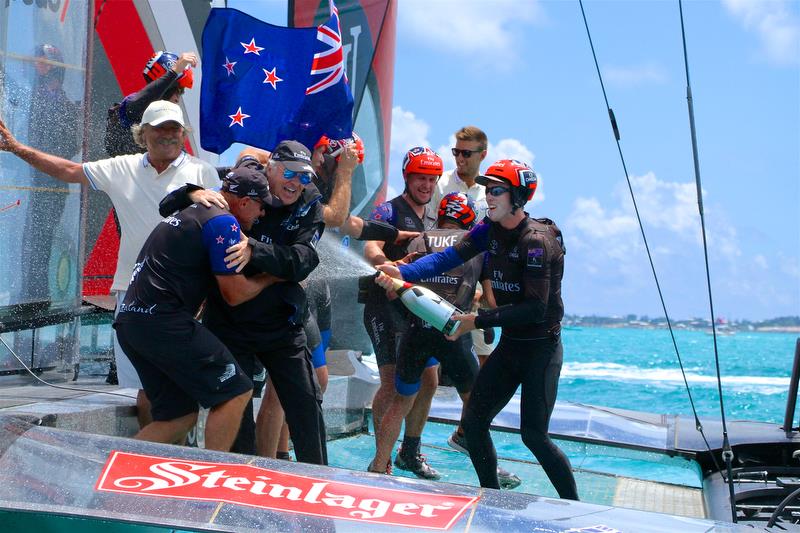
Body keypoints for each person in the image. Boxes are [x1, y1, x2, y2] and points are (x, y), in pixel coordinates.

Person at [0, 100, 222, 428]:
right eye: (160, 128)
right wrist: (17, 148)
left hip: (188, 298)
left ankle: (181, 462)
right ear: (142, 134)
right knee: (143, 390)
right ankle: (148, 461)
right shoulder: (123, 167)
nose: (168, 135)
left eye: (174, 128)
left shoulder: (202, 171)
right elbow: (68, 171)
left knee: (190, 387)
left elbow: (222, 228)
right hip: (132, 296)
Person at [376, 159, 579, 500]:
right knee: (473, 423)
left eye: (497, 190)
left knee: (533, 435)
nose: (489, 196)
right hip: (511, 347)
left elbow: (535, 308)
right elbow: (446, 258)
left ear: (518, 196)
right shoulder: (489, 230)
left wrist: (476, 321)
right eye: (487, 189)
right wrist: (402, 273)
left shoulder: (537, 242)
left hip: (540, 349)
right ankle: (493, 498)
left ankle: (573, 507)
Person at [160, 141, 328, 465]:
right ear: (271, 169)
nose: (296, 183)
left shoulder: (310, 202)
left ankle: (319, 484)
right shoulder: (243, 181)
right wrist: (194, 194)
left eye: (304, 177)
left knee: (307, 404)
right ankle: (240, 490)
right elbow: (167, 205)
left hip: (282, 324)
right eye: (290, 173)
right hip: (230, 322)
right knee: (237, 407)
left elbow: (304, 260)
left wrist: (254, 250)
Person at [114, 166, 274, 451]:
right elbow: (234, 294)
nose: (263, 215)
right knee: (236, 390)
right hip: (162, 323)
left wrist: (190, 191)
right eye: (262, 207)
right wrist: (271, 276)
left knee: (179, 415)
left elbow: (168, 205)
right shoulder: (224, 222)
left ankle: (109, 473)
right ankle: (214, 479)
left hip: (131, 323)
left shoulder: (192, 211)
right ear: (246, 202)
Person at [368, 192, 481, 477]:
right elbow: (490, 297)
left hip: (416, 331)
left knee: (402, 399)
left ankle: (379, 465)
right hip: (454, 333)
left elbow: (397, 294)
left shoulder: (420, 240)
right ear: (469, 219)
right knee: (476, 401)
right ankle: (487, 469)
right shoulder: (476, 245)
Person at [363, 146, 442, 477]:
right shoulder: (387, 211)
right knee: (392, 383)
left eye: (432, 179)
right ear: (407, 178)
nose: (426, 185)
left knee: (430, 379)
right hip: (384, 308)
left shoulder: (435, 217)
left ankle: (410, 449)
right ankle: (381, 455)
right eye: (420, 178)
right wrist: (386, 266)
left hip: (418, 310)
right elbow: (369, 245)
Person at [19, 44, 81, 308]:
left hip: (52, 184)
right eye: (36, 63)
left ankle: (37, 297)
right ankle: (30, 294)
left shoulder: (65, 106)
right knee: (30, 238)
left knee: (39, 239)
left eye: (44, 63)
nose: (39, 67)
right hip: (32, 181)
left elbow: (71, 145)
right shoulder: (34, 98)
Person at [104, 51, 196, 157]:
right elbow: (144, 99)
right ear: (167, 87)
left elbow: (188, 166)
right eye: (178, 90)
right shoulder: (133, 104)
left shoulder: (169, 122)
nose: (178, 98)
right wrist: (175, 71)